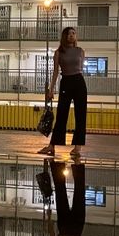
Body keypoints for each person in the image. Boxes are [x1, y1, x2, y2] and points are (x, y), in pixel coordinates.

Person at [40, 26, 87, 156]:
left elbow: (80, 68)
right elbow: (56, 72)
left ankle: (77, 148)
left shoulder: (80, 51)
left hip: (79, 82)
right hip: (66, 82)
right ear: (64, 36)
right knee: (61, 115)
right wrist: (51, 89)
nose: (71, 35)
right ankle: (52, 146)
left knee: (81, 115)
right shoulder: (58, 52)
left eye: (73, 33)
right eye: (69, 33)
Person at [48, 160, 86, 236]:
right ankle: (57, 166)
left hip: (75, 230)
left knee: (79, 194)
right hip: (65, 229)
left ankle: (78, 166)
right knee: (61, 194)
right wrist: (49, 219)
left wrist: (49, 219)